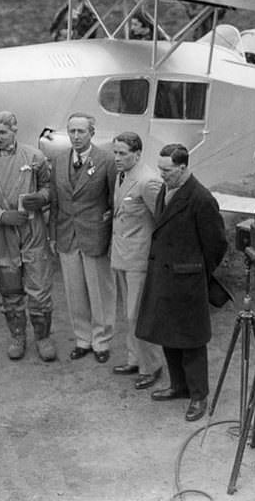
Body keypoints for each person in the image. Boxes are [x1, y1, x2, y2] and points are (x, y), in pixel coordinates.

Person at [135, 143, 228, 423]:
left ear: (183, 168)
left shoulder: (201, 198)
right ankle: (179, 386)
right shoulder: (168, 188)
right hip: (165, 278)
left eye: (167, 170)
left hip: (187, 281)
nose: (162, 176)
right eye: (160, 169)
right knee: (168, 335)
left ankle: (199, 395)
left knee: (191, 341)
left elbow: (217, 244)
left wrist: (196, 272)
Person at [0, 111, 56, 361]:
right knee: (10, 289)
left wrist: (40, 198)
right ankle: (17, 335)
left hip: (33, 232)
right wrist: (0, 216)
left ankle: (43, 336)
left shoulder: (34, 157)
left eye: (3, 132)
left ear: (15, 130)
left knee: (39, 288)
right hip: (2, 235)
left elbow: (48, 187)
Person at [48, 113, 116, 363]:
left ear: (92, 133)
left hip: (95, 234)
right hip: (67, 234)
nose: (76, 137)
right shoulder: (59, 160)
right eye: (72, 131)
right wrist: (53, 234)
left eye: (81, 132)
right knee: (74, 290)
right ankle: (82, 339)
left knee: (99, 291)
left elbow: (112, 200)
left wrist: (109, 234)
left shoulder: (106, 161)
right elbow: (55, 201)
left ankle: (101, 341)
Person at [109, 132, 164, 389]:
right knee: (127, 314)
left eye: (123, 153)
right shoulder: (123, 175)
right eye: (115, 152)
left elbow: (162, 221)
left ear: (138, 154)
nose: (117, 158)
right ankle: (134, 359)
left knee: (137, 315)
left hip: (139, 259)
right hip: (121, 254)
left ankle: (151, 366)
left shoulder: (148, 181)